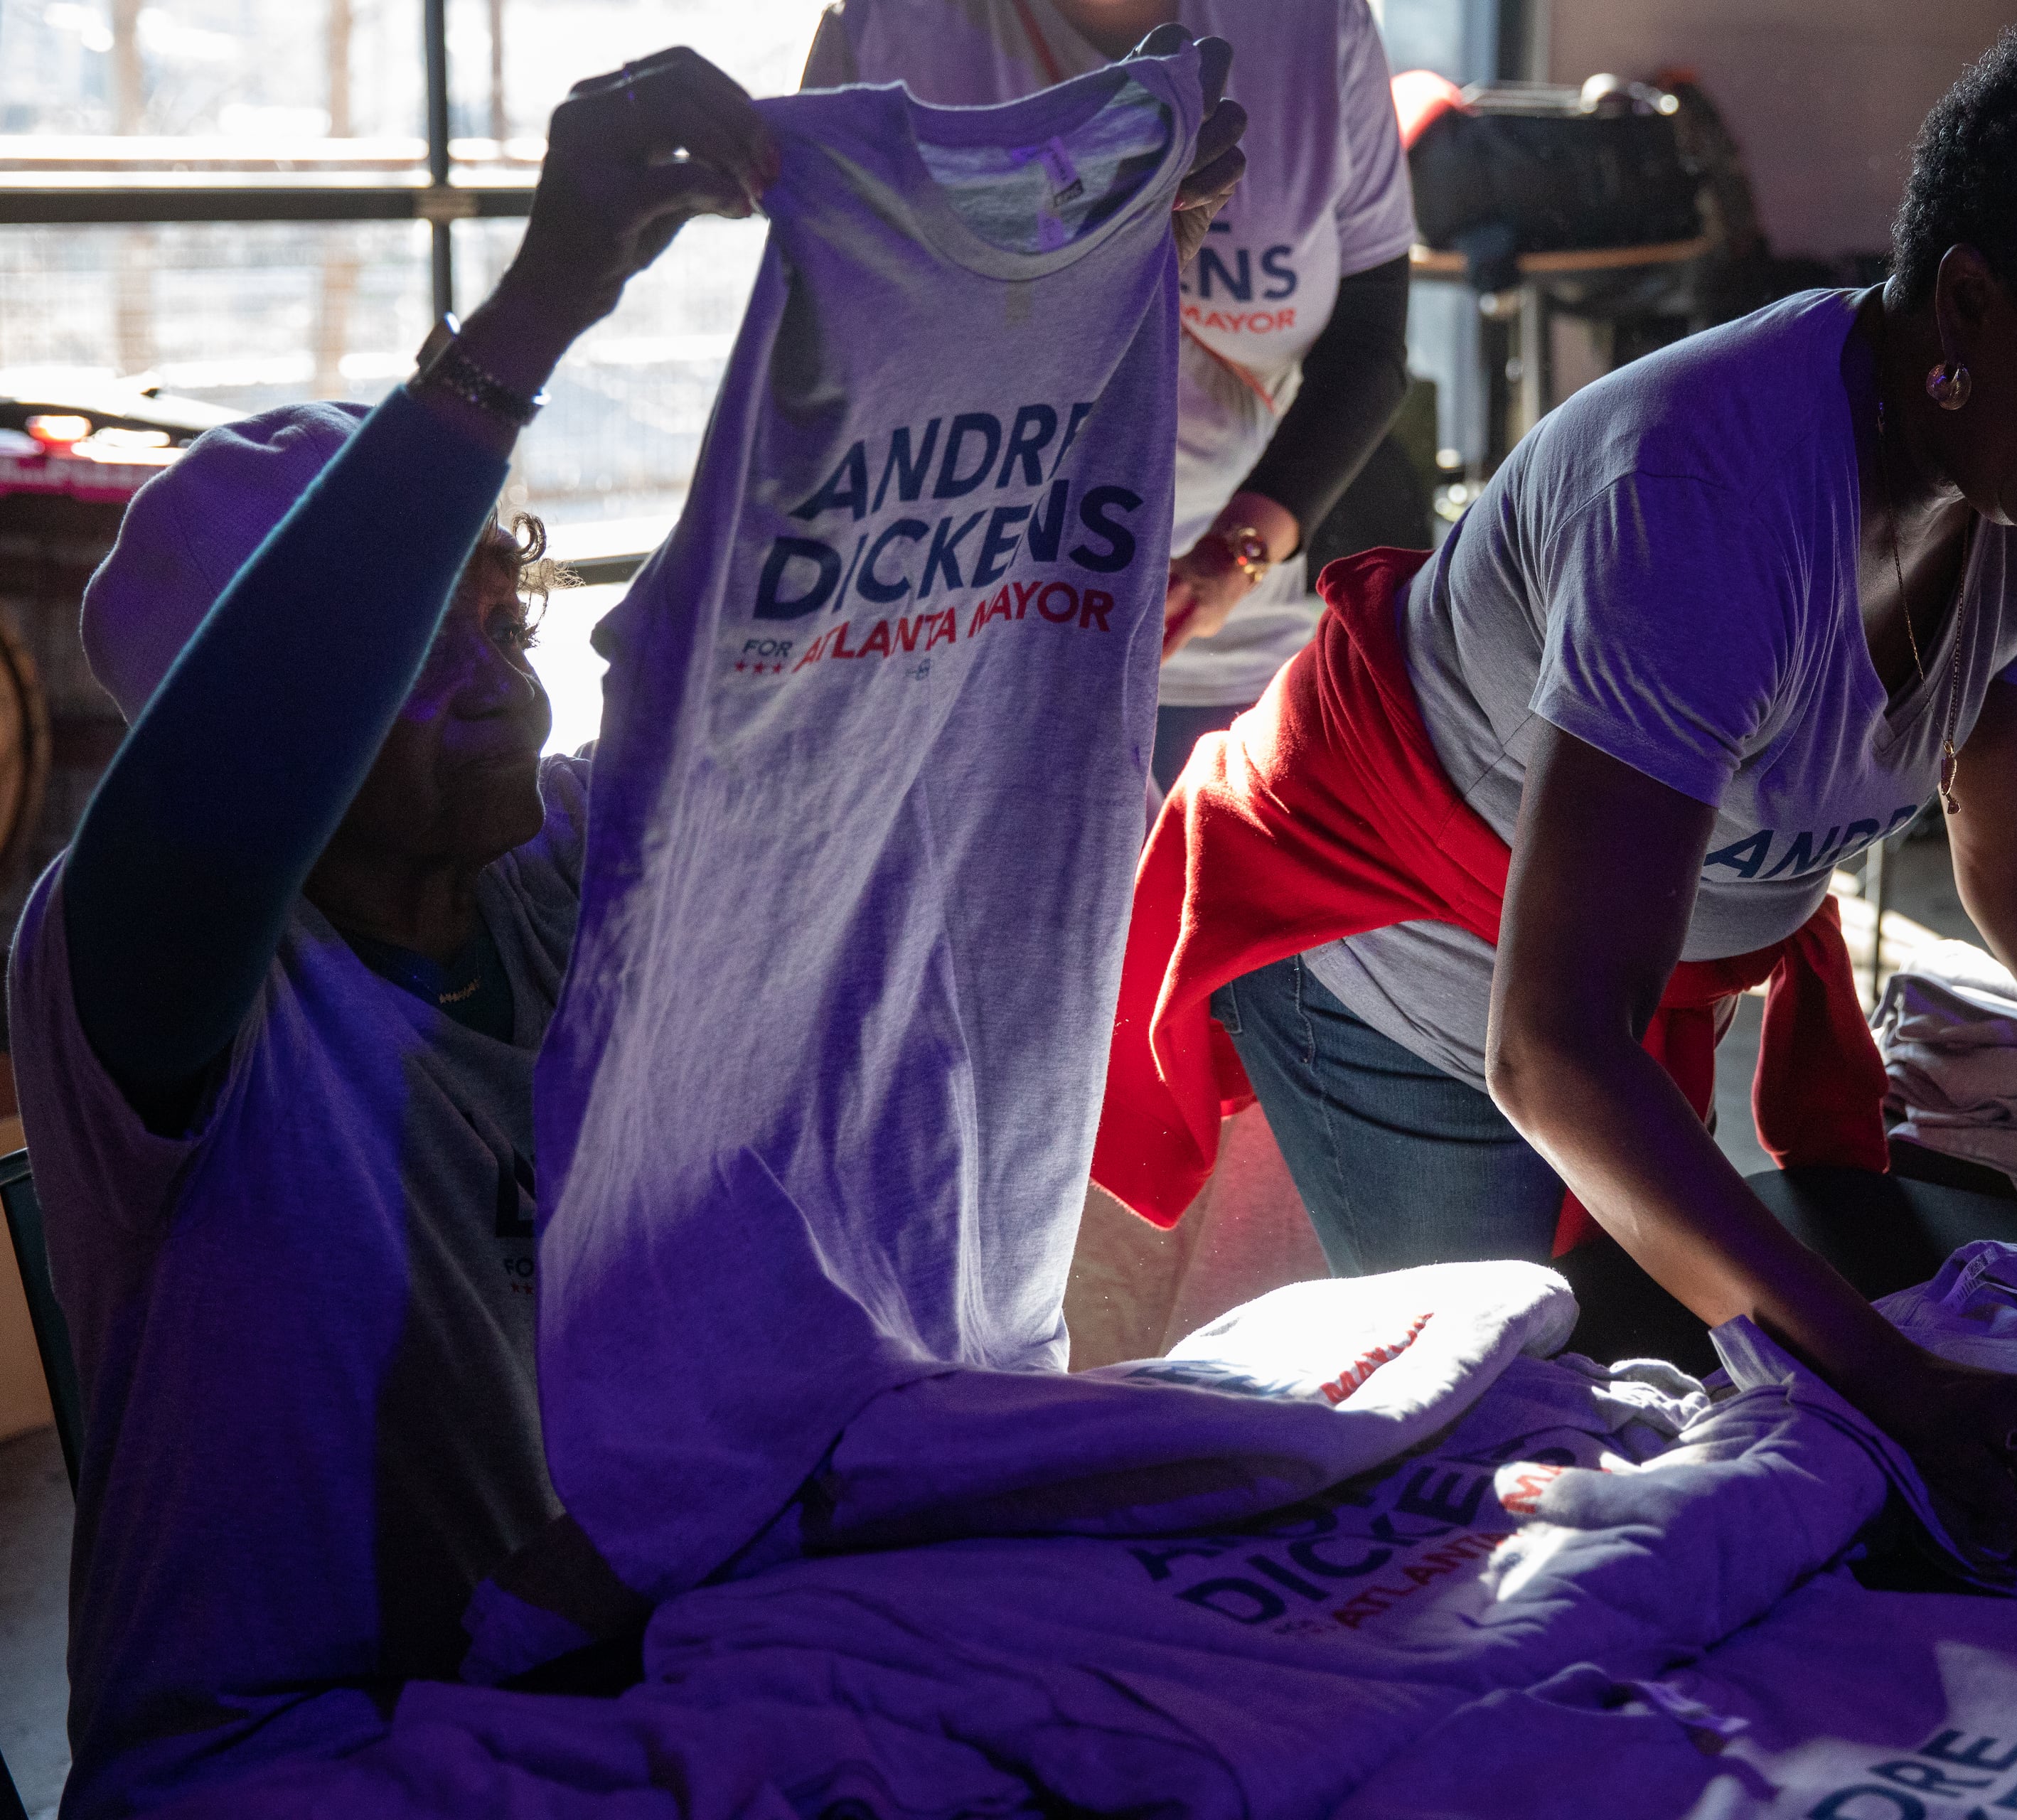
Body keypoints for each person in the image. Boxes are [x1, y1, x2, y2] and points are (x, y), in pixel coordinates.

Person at [1094, 18, 2017, 1573]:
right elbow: (1550, 1048)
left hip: (1604, 961)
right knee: (1500, 1452)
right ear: (1965, 298)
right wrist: (1901, 1383)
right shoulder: (1697, 503)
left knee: (1694, 1383)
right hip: (1400, 948)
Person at [10, 41, 1243, 1814]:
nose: (493, 670)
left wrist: (1084, 283)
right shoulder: (152, 981)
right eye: (414, 647)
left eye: (493, 611)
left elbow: (870, 671)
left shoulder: (579, 873)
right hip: (298, 1753)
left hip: (638, 1679)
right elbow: (238, 763)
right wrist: (539, 303)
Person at [804, 0, 1416, 789]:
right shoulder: (887, 29)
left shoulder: (1312, 24)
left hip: (1249, 625)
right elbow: (829, 359)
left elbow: (1370, 349)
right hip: (976, 622)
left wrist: (1232, 557)